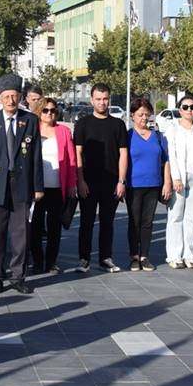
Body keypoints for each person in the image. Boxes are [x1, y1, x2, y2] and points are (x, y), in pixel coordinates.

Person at [0, 74, 43, 293]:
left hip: (21, 184)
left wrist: (38, 187)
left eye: (14, 96)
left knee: (20, 233)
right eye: (6, 97)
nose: (11, 101)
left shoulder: (30, 120)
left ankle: (17, 277)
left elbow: (36, 156)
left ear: (20, 96)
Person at [73, 83, 127, 273]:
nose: (102, 103)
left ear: (109, 99)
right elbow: (77, 153)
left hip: (111, 182)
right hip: (88, 182)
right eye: (98, 99)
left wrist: (121, 181)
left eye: (105, 99)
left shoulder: (118, 125)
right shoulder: (83, 124)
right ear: (91, 100)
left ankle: (105, 258)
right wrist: (80, 180)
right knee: (86, 222)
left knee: (107, 222)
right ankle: (84, 259)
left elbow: (123, 154)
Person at [30, 97, 75, 274]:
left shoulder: (64, 131)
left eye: (53, 110)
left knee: (54, 227)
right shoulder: (32, 129)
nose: (50, 113)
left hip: (57, 187)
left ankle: (51, 262)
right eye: (46, 110)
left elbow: (71, 161)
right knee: (35, 226)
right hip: (37, 187)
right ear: (39, 111)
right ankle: (37, 261)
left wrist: (71, 184)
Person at [125, 98, 171, 272]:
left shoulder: (158, 137)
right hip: (133, 186)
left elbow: (166, 161)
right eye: (140, 114)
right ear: (132, 115)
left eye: (147, 114)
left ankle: (144, 256)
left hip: (153, 185)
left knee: (147, 222)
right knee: (134, 221)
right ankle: (134, 257)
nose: (144, 118)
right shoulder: (128, 136)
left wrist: (167, 182)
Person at [166, 95, 193, 269]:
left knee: (192, 217)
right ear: (180, 110)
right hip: (179, 177)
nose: (189, 110)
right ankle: (174, 255)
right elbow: (171, 154)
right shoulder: (173, 128)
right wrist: (175, 177)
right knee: (176, 216)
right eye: (185, 107)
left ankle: (189, 255)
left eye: (192, 107)